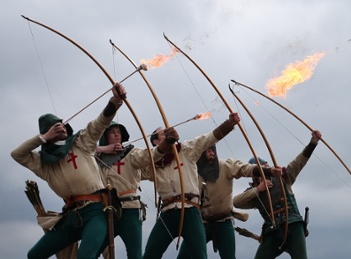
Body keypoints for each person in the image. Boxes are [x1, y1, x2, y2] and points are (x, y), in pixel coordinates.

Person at [11, 83, 127, 259]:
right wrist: (43, 138)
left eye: (62, 124)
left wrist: (116, 101)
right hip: (71, 217)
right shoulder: (43, 163)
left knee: (85, 257)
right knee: (34, 255)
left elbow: (99, 124)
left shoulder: (80, 143)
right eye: (54, 127)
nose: (61, 127)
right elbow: (17, 154)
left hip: (96, 212)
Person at [142, 112, 240, 259]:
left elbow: (209, 138)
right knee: (150, 254)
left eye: (169, 131)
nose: (168, 133)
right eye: (163, 133)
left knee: (199, 256)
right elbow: (134, 170)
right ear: (156, 142)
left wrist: (229, 124)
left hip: (190, 211)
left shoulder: (186, 149)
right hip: (168, 212)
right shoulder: (152, 162)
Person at [177, 144, 282, 259]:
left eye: (213, 151)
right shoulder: (193, 172)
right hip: (201, 222)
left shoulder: (225, 165)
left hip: (224, 221)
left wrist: (269, 171)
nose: (212, 153)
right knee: (183, 256)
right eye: (207, 151)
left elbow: (246, 168)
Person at [233, 130, 322, 259]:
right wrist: (258, 189)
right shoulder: (253, 193)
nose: (264, 172)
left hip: (294, 226)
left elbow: (299, 162)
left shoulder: (283, 177)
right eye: (259, 170)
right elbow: (236, 202)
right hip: (272, 232)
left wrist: (313, 143)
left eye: (265, 168)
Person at [95, 121, 153, 259]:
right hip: (106, 211)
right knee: (91, 251)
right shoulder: (97, 159)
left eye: (119, 132)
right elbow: (81, 151)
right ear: (105, 136)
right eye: (112, 132)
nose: (116, 134)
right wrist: (103, 149)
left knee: (135, 255)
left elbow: (149, 156)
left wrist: (164, 147)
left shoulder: (131, 153)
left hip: (130, 209)